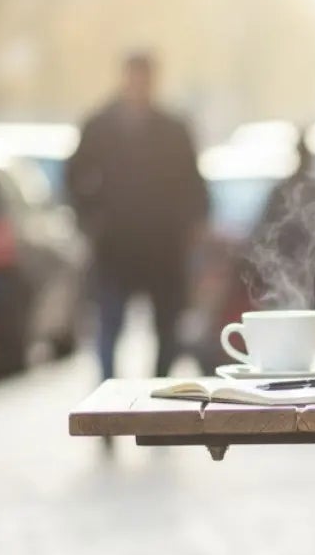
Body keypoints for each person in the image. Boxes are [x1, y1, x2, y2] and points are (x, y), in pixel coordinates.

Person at [66, 51, 209, 379]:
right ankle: (107, 403)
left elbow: (193, 184)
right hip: (115, 247)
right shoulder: (100, 126)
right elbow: (74, 177)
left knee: (167, 330)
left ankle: (156, 396)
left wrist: (192, 227)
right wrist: (91, 220)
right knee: (108, 327)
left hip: (163, 248)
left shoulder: (173, 129)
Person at [244, 131, 315, 358]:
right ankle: (312, 361)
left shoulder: (285, 192)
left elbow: (259, 234)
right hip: (312, 277)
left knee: (311, 328)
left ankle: (309, 361)